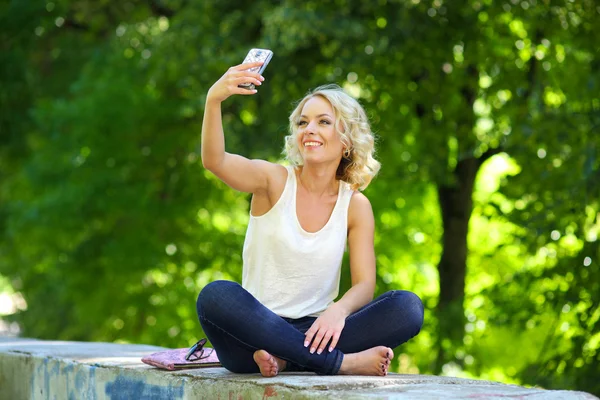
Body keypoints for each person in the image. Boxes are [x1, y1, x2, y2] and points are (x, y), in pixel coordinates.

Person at [196, 60, 424, 377]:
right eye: (303, 123)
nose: (310, 130)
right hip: (254, 334)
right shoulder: (273, 180)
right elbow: (215, 160)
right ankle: (338, 364)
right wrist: (214, 98)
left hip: (318, 331)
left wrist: (337, 311)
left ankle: (288, 359)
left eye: (323, 122)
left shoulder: (355, 205)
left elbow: (365, 285)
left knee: (407, 307)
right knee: (215, 296)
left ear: (346, 140)